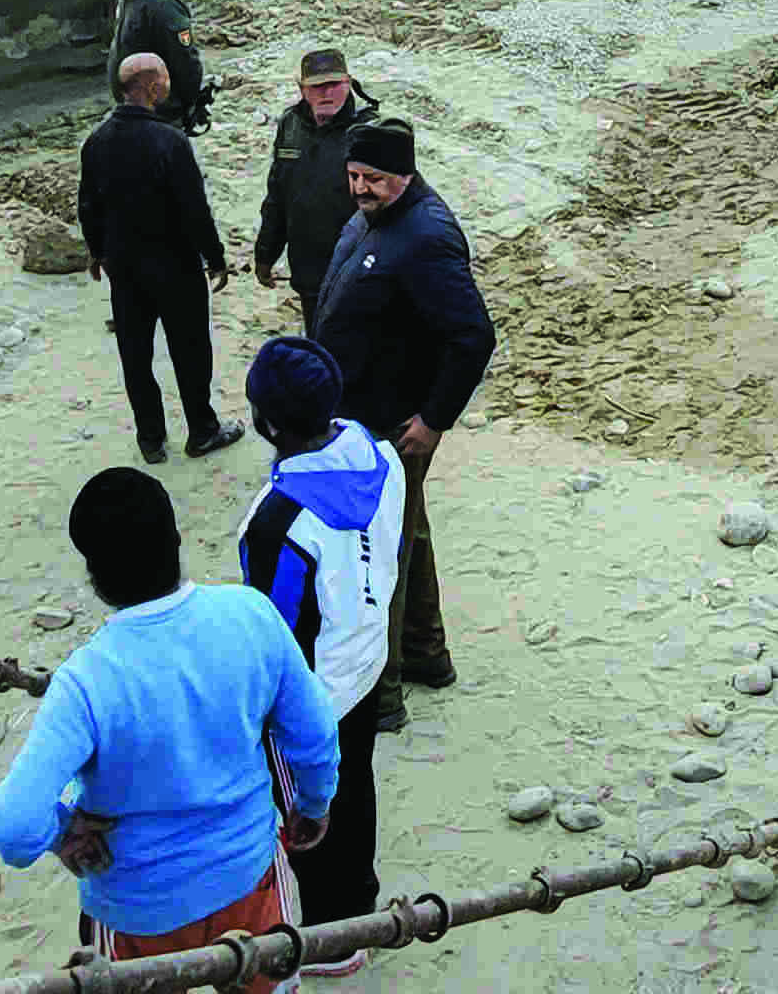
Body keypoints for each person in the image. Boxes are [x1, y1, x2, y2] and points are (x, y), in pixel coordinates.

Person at [0, 466, 340, 986]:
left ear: (94, 576)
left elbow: (15, 831)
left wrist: (62, 830)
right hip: (249, 883)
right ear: (176, 542)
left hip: (136, 912)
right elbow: (314, 737)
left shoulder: (84, 681)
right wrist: (313, 804)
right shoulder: (251, 616)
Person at [307, 119, 485, 707]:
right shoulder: (375, 216)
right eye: (354, 176)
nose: (360, 188)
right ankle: (427, 655)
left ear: (404, 175)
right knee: (407, 531)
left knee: (380, 553)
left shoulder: (426, 236)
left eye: (374, 179)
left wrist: (434, 420)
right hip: (358, 412)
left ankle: (380, 694)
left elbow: (474, 336)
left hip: (392, 422)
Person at [234, 338, 404, 941]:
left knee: (314, 806)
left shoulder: (277, 520)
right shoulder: (384, 460)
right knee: (357, 778)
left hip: (312, 690)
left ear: (267, 422)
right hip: (368, 658)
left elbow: (273, 629)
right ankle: (362, 897)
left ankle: (333, 936)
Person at [81, 54, 239, 464]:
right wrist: (216, 257)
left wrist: (97, 251)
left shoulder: (96, 142)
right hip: (175, 266)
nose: (170, 84)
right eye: (165, 78)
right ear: (151, 87)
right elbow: (194, 209)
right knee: (190, 351)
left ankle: (150, 439)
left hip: (125, 268)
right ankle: (202, 430)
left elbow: (88, 205)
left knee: (135, 355)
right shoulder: (170, 141)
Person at [249, 51, 391, 310]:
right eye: (317, 86)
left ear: (348, 83)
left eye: (334, 85)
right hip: (308, 270)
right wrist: (266, 255)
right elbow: (278, 196)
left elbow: (393, 207)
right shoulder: (290, 125)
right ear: (302, 89)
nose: (327, 93)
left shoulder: (370, 131)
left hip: (358, 270)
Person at [103, 0, 210, 131]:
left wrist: (183, 109)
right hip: (134, 107)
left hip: (159, 116)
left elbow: (186, 61)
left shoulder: (162, 3)